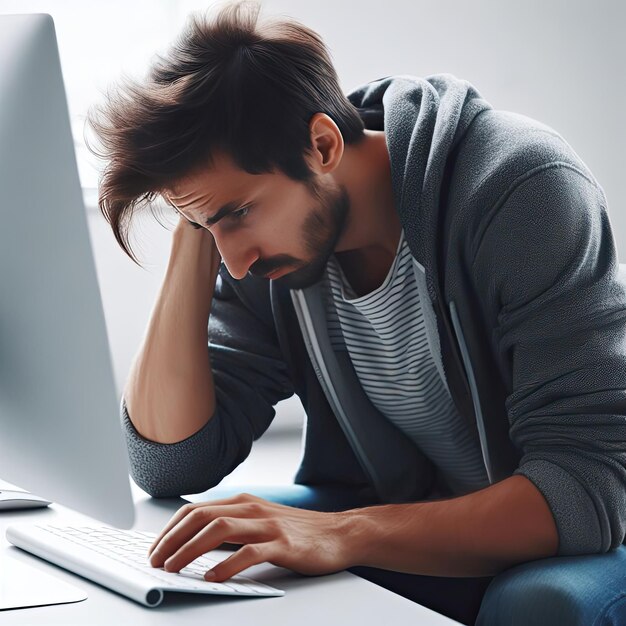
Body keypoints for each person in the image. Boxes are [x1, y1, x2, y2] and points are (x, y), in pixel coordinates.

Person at [87, 1, 626, 624]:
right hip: (411, 507)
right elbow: (170, 459)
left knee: (536, 604)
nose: (234, 263)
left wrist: (348, 532)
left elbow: (588, 489)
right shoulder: (267, 249)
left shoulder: (518, 188)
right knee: (194, 539)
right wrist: (196, 228)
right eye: (206, 225)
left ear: (321, 145)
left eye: (237, 212)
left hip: (574, 532)